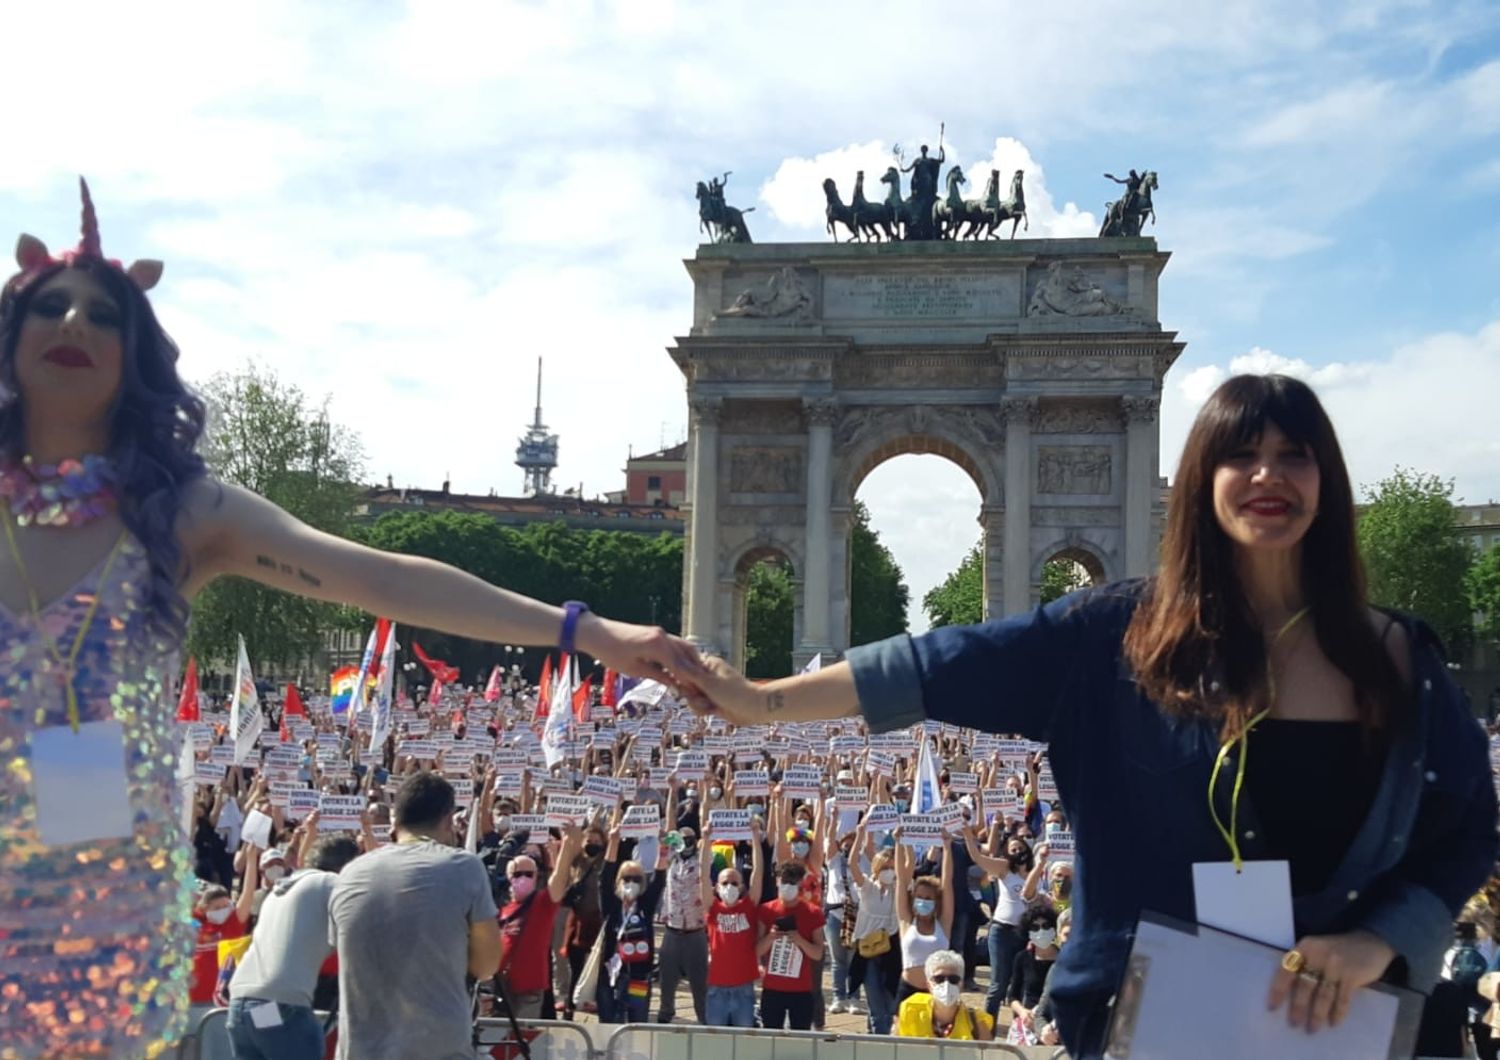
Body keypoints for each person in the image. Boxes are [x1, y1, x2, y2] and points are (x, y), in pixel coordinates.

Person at [0, 181, 707, 1056]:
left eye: (103, 314)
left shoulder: (176, 514)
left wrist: (586, 632)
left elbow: (383, 578)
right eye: (50, 304)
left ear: (135, 351)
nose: (74, 322)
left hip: (87, 857)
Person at [687, 374, 1498, 1057]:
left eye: (1295, 455)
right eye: (1241, 455)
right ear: (1201, 479)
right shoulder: (1111, 634)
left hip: (1350, 1022)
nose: (1267, 475)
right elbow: (939, 663)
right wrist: (761, 703)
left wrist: (1381, 939)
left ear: (1329, 479)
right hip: (1157, 1020)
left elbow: (1471, 826)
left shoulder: (1397, 656)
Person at [328, 773, 500, 1059]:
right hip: (436, 1049)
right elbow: (487, 965)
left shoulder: (350, 873)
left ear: (394, 822)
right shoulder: (463, 867)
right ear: (448, 820)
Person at [226, 835, 361, 1060]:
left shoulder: (282, 890)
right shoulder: (330, 884)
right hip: (280, 1005)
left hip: (240, 1006)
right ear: (347, 867)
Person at [496, 820, 584, 1019]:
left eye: (529, 874)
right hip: (500, 986)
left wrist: (567, 845)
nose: (523, 878)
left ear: (536, 877)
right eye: (518, 874)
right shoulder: (500, 908)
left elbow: (559, 879)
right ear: (509, 877)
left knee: (524, 1040)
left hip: (529, 990)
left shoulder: (542, 903)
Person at [597, 821, 669, 1023]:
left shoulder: (645, 905)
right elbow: (605, 875)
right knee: (609, 1022)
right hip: (610, 974)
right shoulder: (611, 904)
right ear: (619, 881)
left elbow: (659, 879)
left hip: (639, 976)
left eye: (637, 879)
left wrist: (662, 851)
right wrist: (613, 841)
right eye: (627, 878)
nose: (631, 883)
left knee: (637, 1022)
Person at [699, 819, 765, 1027]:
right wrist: (707, 839)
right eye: (725, 883)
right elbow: (702, 875)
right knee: (717, 1042)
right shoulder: (712, 909)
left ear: (742, 886)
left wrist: (755, 836)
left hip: (743, 988)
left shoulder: (749, 906)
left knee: (743, 1042)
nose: (729, 886)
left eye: (734, 882)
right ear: (716, 888)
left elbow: (758, 872)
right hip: (716, 987)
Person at [756, 861, 826, 1030]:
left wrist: (800, 940)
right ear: (777, 881)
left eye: (793, 882)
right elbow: (756, 950)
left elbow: (818, 953)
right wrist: (771, 937)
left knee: (800, 1037)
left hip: (801, 989)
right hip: (772, 987)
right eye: (785, 881)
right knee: (771, 1035)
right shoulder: (766, 910)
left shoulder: (813, 912)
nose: (788, 886)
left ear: (801, 883)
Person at [846, 821, 901, 1034]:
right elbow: (852, 864)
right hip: (867, 951)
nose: (888, 872)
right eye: (884, 868)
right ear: (877, 869)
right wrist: (860, 834)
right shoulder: (867, 886)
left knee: (890, 1003)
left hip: (891, 951)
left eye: (891, 868)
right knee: (875, 1003)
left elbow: (909, 867)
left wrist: (900, 841)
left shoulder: (899, 888)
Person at [655, 824, 708, 1024]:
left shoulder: (703, 861)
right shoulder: (671, 860)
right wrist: (666, 840)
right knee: (667, 980)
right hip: (672, 930)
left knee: (699, 982)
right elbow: (665, 839)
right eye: (682, 839)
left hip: (695, 931)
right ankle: (665, 1013)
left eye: (690, 839)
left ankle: (703, 1018)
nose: (686, 843)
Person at [895, 831, 953, 1001]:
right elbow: (901, 880)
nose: (923, 901)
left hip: (937, 992)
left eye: (928, 898)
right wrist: (899, 842)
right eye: (919, 897)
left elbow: (947, 883)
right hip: (908, 990)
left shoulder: (943, 923)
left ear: (936, 901)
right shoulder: (907, 921)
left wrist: (947, 847)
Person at [895, 949, 994, 1040]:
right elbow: (894, 1050)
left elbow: (989, 1056)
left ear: (961, 985)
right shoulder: (910, 1010)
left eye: (953, 979)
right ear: (928, 985)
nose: (946, 984)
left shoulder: (976, 1021)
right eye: (939, 979)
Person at [1005, 906, 1061, 1046]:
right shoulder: (1022, 958)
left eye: (1046, 926)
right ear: (1028, 932)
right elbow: (1012, 996)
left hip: (1055, 1024)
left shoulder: (1063, 960)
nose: (1041, 930)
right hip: (1027, 1023)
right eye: (1035, 928)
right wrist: (1023, 1012)